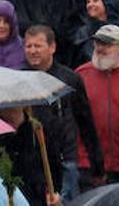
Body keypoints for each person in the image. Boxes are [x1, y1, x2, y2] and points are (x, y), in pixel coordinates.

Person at [23, 24, 103, 201]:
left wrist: (97, 165)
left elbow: (86, 123)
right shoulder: (19, 80)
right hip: (31, 163)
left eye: (38, 46)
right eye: (28, 46)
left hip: (65, 160)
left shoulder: (69, 79)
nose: (33, 51)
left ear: (52, 47)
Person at [75, 25, 119, 184]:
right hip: (88, 165)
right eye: (98, 43)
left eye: (106, 44)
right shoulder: (80, 75)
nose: (100, 48)